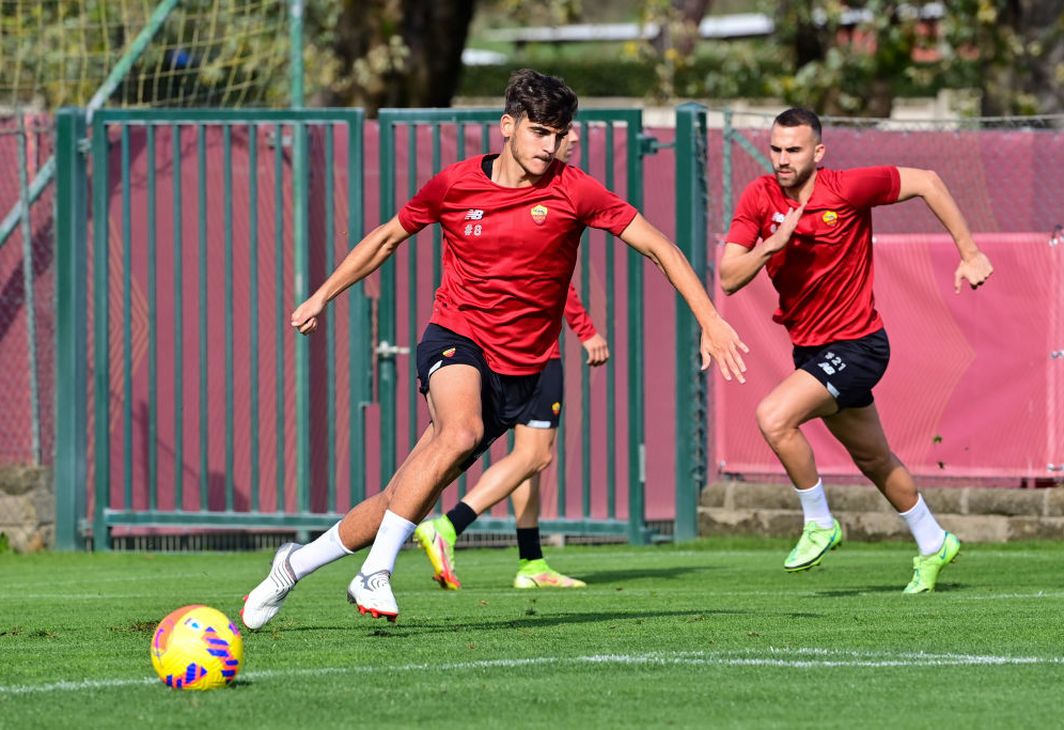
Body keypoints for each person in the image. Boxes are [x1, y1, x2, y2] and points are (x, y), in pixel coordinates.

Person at [241, 69, 749, 628]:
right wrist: (322, 295)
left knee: (400, 497)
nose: (550, 146)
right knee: (460, 431)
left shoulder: (576, 190)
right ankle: (375, 571)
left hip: (520, 370)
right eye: (539, 132)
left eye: (560, 134)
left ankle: (293, 565)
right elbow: (386, 238)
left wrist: (710, 320)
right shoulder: (454, 184)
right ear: (508, 126)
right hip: (454, 336)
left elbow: (658, 246)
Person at [719, 107, 993, 593]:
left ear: (818, 152)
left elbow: (928, 181)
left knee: (774, 417)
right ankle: (934, 541)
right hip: (810, 351)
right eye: (776, 149)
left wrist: (969, 253)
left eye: (794, 150)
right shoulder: (759, 196)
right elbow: (728, 276)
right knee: (874, 459)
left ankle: (819, 522)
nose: (782, 159)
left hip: (859, 345)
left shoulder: (845, 188)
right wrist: (770, 245)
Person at [414, 124, 605, 591]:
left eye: (565, 136)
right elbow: (549, 281)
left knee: (526, 457)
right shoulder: (535, 188)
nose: (563, 144)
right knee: (535, 454)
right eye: (556, 134)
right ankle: (449, 526)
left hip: (520, 348)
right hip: (532, 353)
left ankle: (531, 561)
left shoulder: (561, 187)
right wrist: (585, 331)